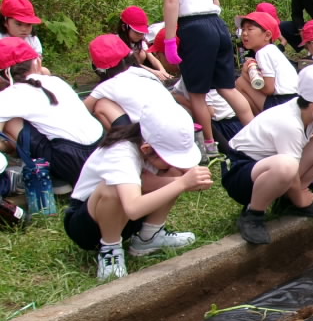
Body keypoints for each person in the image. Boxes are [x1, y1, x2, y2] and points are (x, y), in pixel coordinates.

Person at [140, 0, 254, 158]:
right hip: (217, 23)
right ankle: (256, 132)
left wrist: (170, 39)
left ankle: (210, 146)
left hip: (194, 27)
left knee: (197, 93)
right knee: (227, 87)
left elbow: (172, 2)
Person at [64, 102, 211, 280]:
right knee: (112, 188)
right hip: (90, 224)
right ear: (147, 149)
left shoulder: (146, 140)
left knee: (175, 173)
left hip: (125, 219)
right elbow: (133, 209)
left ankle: (149, 237)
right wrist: (182, 183)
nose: (173, 162)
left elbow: (179, 174)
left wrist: (184, 178)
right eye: (169, 157)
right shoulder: (121, 153)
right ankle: (110, 249)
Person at [224, 62, 313, 244]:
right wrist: (302, 199)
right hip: (240, 173)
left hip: (265, 170)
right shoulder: (289, 123)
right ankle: (253, 213)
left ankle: (288, 201)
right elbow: (291, 171)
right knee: (286, 166)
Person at [0, 37, 103, 186]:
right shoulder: (54, 81)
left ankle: (47, 172)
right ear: (35, 63)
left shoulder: (10, 96)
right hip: (99, 150)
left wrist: (6, 146)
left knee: (11, 121)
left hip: (72, 161)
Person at [83, 35, 181, 129]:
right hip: (180, 123)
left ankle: (125, 143)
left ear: (100, 69)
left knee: (101, 104)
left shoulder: (106, 87)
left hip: (152, 136)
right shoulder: (144, 72)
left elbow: (83, 110)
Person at [235, 10, 299, 113]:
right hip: (294, 100)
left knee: (240, 82)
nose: (245, 33)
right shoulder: (272, 50)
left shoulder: (263, 53)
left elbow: (269, 89)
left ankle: (255, 122)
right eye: (243, 29)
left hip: (281, 102)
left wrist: (245, 74)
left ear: (267, 35)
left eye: (250, 29)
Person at [117, 5, 171, 81]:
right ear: (124, 27)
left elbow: (152, 58)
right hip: (125, 72)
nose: (140, 35)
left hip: (141, 70)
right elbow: (131, 65)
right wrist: (154, 72)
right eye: (137, 32)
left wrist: (162, 71)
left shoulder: (141, 41)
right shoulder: (117, 43)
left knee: (142, 53)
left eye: (142, 32)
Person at [0, 0, 45, 69]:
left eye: (28, 24)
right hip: (3, 74)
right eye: (18, 24)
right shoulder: (1, 38)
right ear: (5, 22)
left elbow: (37, 63)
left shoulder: (32, 39)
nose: (24, 29)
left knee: (45, 71)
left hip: (27, 73)